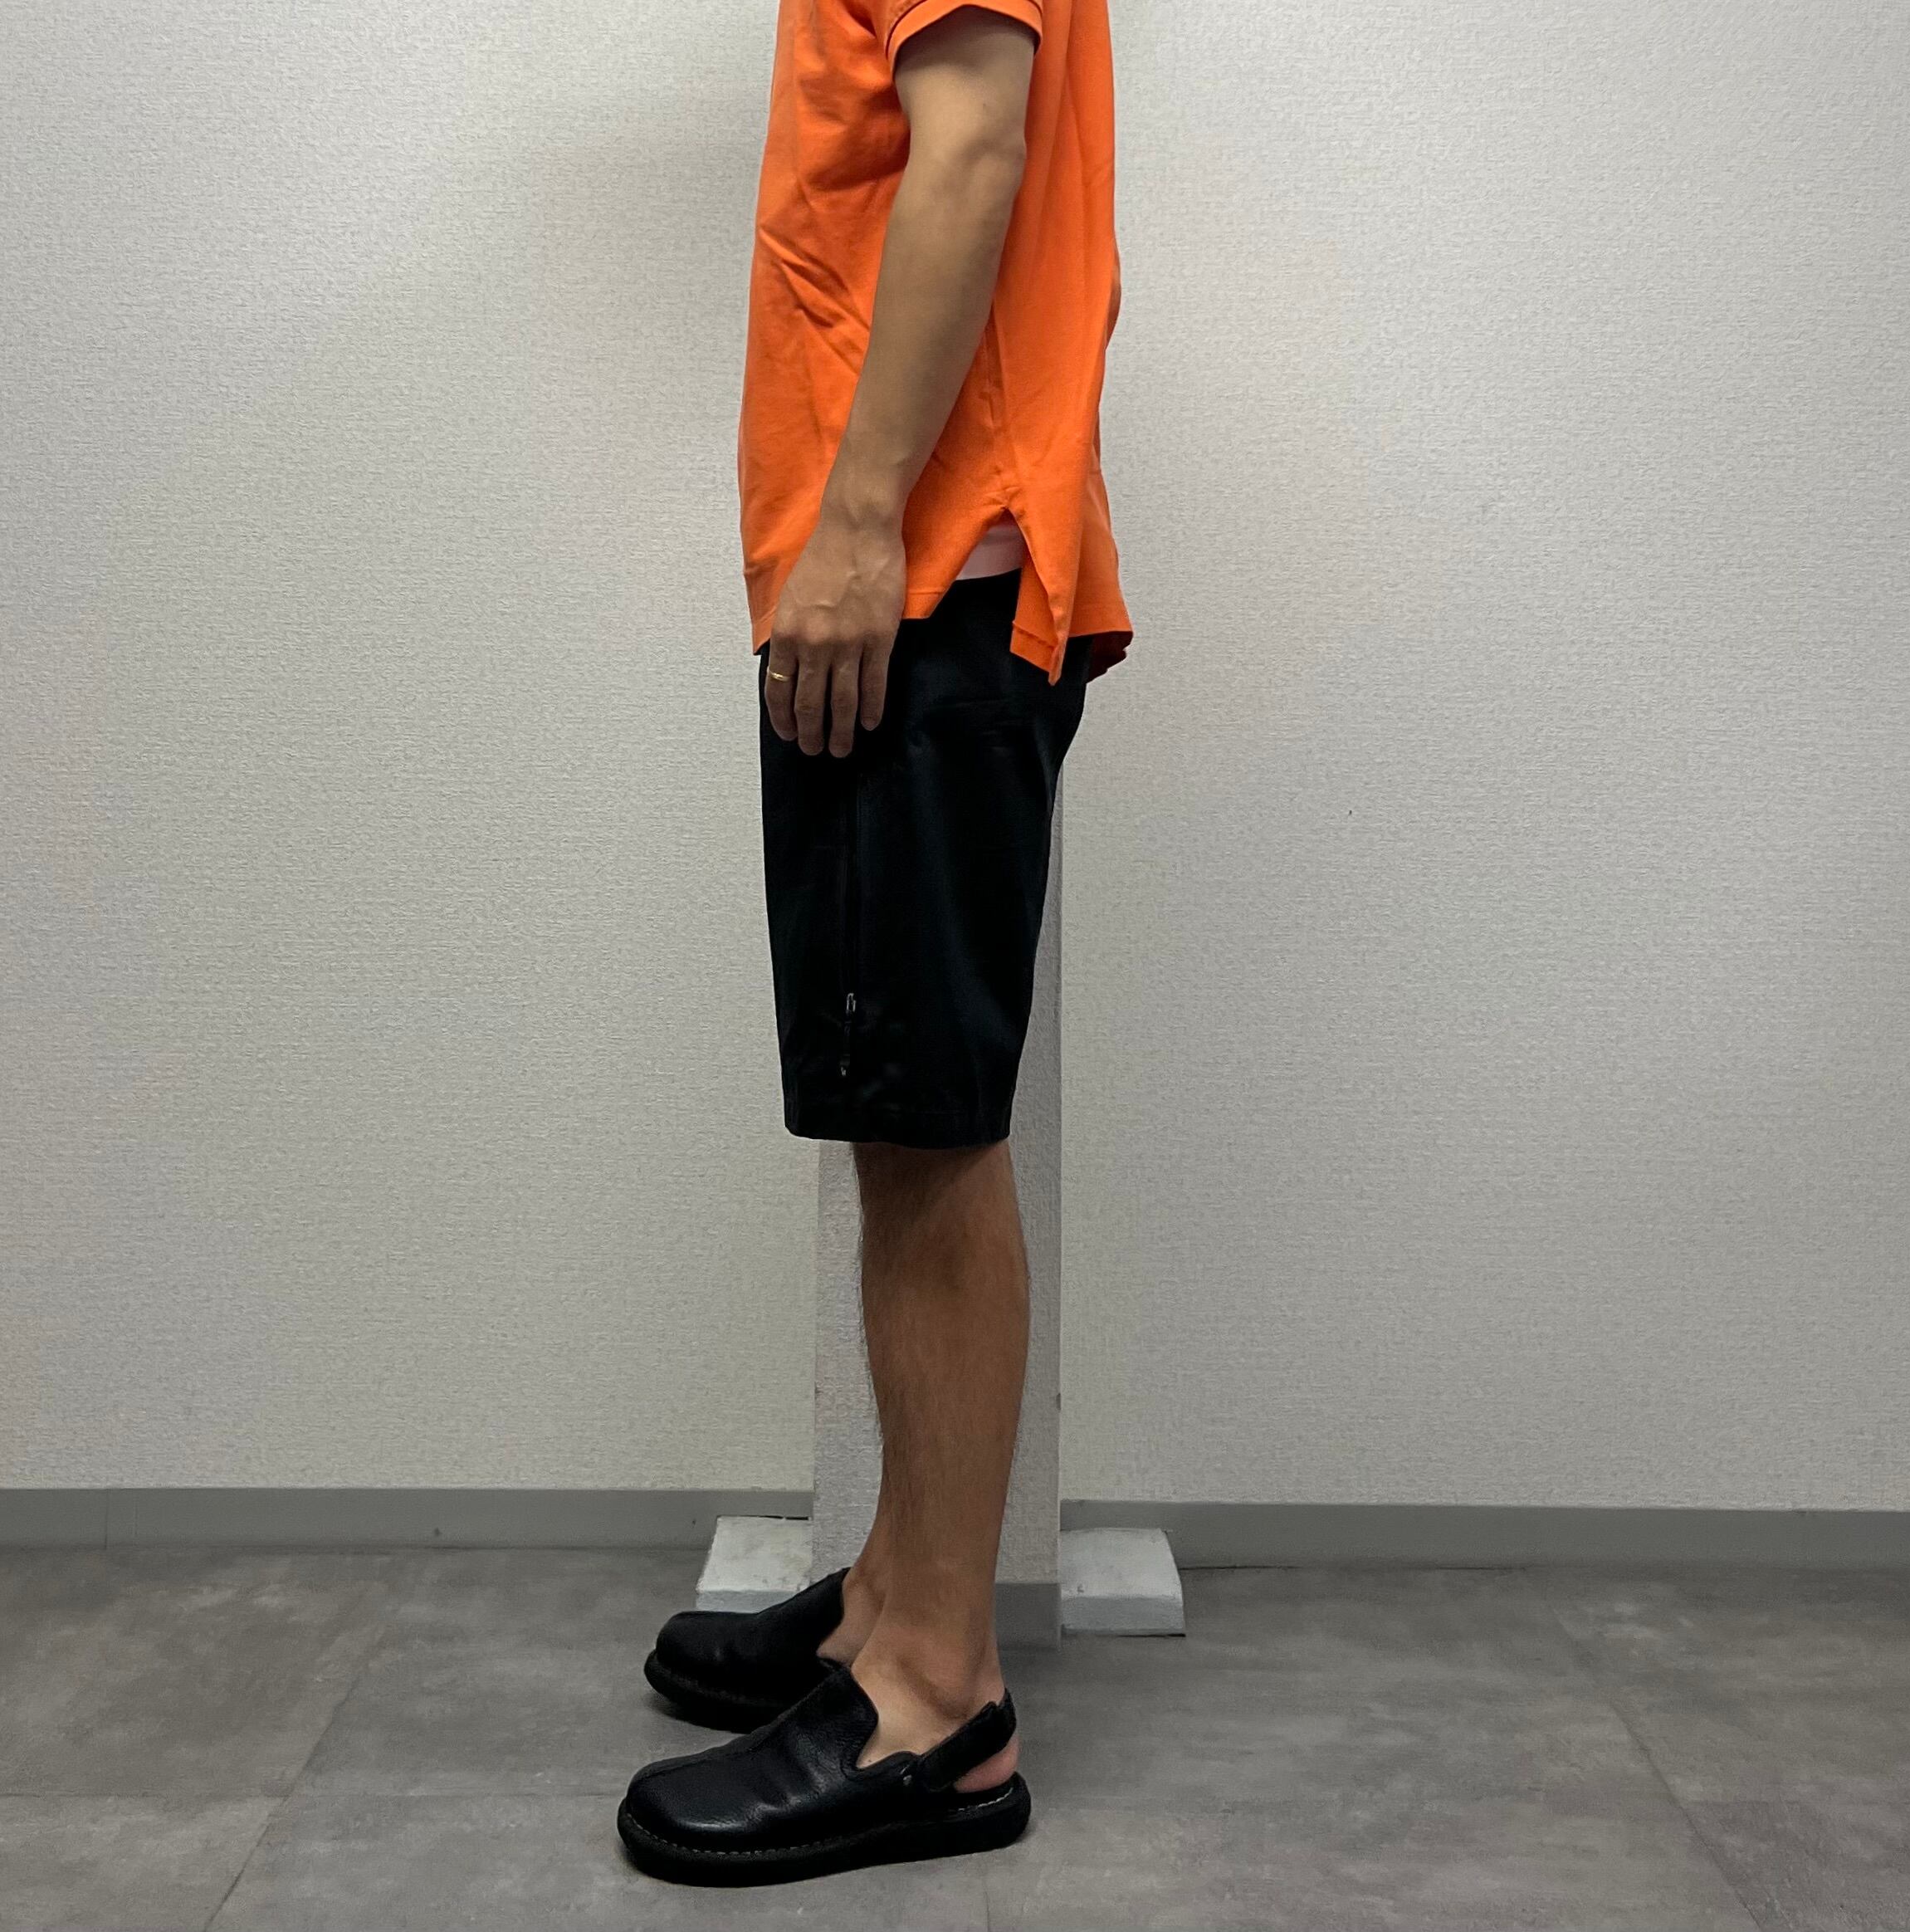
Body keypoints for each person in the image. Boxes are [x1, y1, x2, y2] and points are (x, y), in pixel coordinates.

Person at [618, 0, 1131, 1887]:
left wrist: (857, 526)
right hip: (925, 569)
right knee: (894, 1115)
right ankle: (892, 1601)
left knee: (927, 1135)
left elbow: (972, 150)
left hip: (925, 575)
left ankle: (938, 1701)